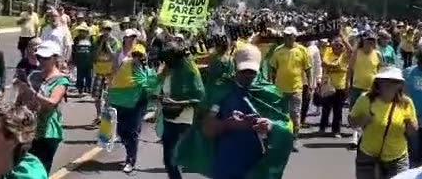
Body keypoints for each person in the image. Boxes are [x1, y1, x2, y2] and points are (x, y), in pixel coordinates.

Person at [175, 44, 294, 179]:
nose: (248, 75)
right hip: (226, 165)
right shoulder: (221, 91)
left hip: (257, 168)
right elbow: (206, 130)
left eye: (252, 71)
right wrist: (228, 124)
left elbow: (287, 128)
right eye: (243, 70)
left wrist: (271, 126)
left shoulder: (270, 94)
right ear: (235, 66)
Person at [350, 67, 418, 179]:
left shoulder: (406, 103)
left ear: (399, 85)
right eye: (385, 81)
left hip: (397, 157)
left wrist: (411, 126)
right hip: (368, 154)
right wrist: (363, 120)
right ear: (378, 83)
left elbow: (412, 132)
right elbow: (352, 122)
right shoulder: (366, 99)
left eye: (393, 82)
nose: (388, 85)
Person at [15, 40, 70, 174]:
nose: (42, 61)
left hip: (48, 133)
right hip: (29, 129)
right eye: (40, 57)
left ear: (55, 58)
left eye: (46, 58)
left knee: (40, 170)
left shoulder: (61, 80)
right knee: (23, 167)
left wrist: (32, 93)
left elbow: (51, 103)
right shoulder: (34, 76)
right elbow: (21, 101)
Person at [108, 44, 158, 173]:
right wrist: (109, 98)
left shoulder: (147, 70)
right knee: (121, 131)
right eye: (134, 54)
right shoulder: (125, 65)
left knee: (132, 133)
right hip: (122, 104)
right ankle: (129, 150)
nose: (136, 58)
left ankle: (131, 160)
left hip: (137, 105)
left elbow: (152, 86)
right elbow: (115, 81)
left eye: (139, 55)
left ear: (144, 57)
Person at [158, 41, 205, 179]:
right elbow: (165, 89)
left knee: (172, 160)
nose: (165, 61)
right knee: (168, 160)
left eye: (168, 58)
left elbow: (199, 97)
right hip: (168, 117)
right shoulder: (170, 70)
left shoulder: (190, 70)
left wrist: (179, 102)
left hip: (183, 120)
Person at [270, 26, 311, 151]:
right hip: (280, 89)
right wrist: (272, 86)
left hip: (296, 88)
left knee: (295, 115)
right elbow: (273, 69)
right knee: (280, 116)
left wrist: (310, 86)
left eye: (290, 35)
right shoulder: (278, 50)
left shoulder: (302, 50)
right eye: (286, 36)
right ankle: (281, 140)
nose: (288, 38)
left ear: (295, 36)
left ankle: (294, 139)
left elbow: (308, 70)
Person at [347, 30, 382, 147]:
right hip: (357, 87)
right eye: (368, 41)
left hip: (372, 89)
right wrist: (348, 84)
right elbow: (350, 69)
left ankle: (366, 136)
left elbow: (381, 71)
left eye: (373, 41)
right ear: (363, 41)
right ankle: (354, 136)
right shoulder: (357, 53)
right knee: (355, 112)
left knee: (370, 112)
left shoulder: (377, 54)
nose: (370, 43)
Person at [319, 36, 351, 137]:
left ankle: (336, 130)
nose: (338, 47)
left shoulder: (345, 55)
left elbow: (351, 50)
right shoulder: (329, 53)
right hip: (329, 86)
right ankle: (322, 127)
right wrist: (336, 66)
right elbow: (324, 64)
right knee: (326, 108)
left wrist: (344, 39)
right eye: (336, 45)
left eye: (340, 45)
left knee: (338, 110)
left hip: (341, 86)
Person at [91, 20, 121, 125]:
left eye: (108, 29)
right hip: (99, 71)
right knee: (97, 95)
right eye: (104, 29)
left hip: (109, 72)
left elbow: (114, 57)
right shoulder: (97, 40)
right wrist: (102, 44)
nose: (106, 32)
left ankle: (106, 115)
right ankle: (98, 115)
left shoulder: (115, 41)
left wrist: (107, 45)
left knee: (109, 95)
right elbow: (94, 55)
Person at [72, 24, 93, 95]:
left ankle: (88, 88)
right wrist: (74, 60)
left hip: (89, 61)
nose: (81, 32)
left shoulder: (91, 39)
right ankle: (80, 89)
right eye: (80, 31)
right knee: (80, 76)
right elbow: (74, 50)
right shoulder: (76, 39)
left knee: (89, 76)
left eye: (83, 31)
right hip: (79, 61)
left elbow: (93, 50)